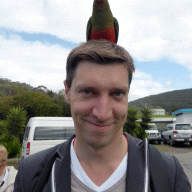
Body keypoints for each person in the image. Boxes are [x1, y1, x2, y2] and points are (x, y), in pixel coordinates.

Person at [14, 40, 191, 192]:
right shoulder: (31, 174)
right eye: (88, 92)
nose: (102, 113)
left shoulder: (168, 173)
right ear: (67, 91)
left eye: (117, 94)